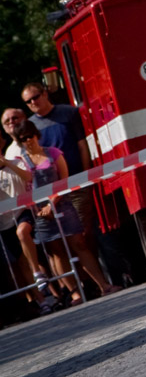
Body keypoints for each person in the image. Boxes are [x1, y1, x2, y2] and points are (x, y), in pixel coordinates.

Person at [12, 122, 120, 305]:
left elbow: (64, 180)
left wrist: (53, 202)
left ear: (36, 134)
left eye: (30, 135)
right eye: (23, 139)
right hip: (40, 212)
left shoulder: (53, 153)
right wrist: (39, 208)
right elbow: (24, 186)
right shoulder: (20, 162)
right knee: (57, 252)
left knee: (79, 243)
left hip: (62, 204)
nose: (28, 141)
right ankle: (75, 293)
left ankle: (104, 285)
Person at [0, 147, 53, 314]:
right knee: (21, 263)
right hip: (4, 223)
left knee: (22, 232)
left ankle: (37, 271)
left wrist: (7, 163)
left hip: (23, 213)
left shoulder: (16, 162)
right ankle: (42, 300)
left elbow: (28, 177)